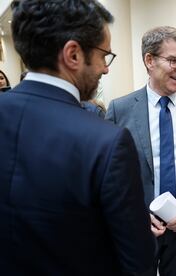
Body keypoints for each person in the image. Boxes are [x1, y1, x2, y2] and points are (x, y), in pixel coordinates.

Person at [0, 1, 156, 275]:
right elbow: (137, 262)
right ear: (73, 54)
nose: (106, 69)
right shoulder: (107, 143)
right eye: (104, 56)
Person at [105, 26, 176, 276]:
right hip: (138, 226)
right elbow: (111, 174)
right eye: (173, 61)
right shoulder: (120, 109)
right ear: (149, 60)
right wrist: (136, 212)